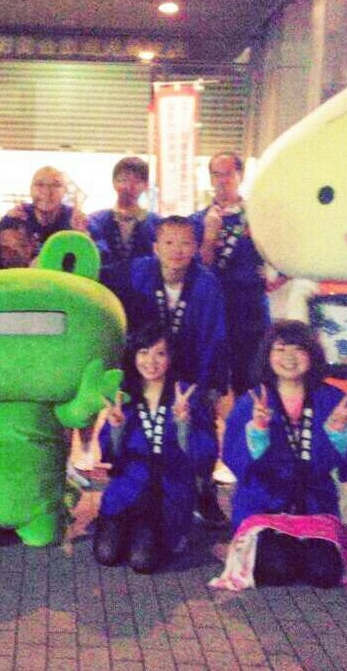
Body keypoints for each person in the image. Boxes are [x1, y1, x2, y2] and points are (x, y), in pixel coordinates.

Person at [212, 320, 347, 592]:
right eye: (280, 349)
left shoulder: (332, 399)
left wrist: (338, 433)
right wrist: (258, 431)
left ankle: (293, 549)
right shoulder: (252, 401)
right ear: (267, 355)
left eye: (298, 349)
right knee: (277, 571)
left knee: (325, 575)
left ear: (312, 355)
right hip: (264, 504)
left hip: (315, 505)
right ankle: (253, 546)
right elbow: (235, 458)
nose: (289, 357)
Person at [106, 215, 229, 526]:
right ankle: (130, 487)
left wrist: (209, 386)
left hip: (190, 372)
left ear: (197, 247)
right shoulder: (135, 273)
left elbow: (214, 337)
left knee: (200, 427)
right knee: (135, 425)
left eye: (186, 243)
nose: (177, 250)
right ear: (155, 247)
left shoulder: (207, 284)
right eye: (169, 242)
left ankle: (204, 490)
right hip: (145, 367)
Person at [94, 326, 216, 574]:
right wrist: (116, 428)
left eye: (160, 353)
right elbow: (111, 455)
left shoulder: (186, 394)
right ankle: (133, 530)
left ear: (171, 357)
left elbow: (205, 455)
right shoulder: (124, 394)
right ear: (133, 355)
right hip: (129, 486)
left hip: (169, 488)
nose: (151, 361)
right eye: (143, 352)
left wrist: (184, 425)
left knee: (141, 561)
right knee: (105, 553)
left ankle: (168, 531)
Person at [191, 152, 277, 396]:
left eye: (227, 174)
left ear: (240, 176)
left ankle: (250, 418)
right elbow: (197, 268)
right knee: (208, 376)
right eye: (216, 174)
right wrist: (209, 237)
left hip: (250, 310)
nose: (221, 180)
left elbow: (280, 255)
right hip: (212, 307)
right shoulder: (197, 220)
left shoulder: (258, 217)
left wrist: (273, 275)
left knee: (251, 376)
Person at [87, 157, 157, 271]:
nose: (130, 186)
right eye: (124, 180)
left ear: (146, 186)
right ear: (114, 183)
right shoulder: (95, 220)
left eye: (137, 181)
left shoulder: (156, 223)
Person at [4, 166, 88, 253]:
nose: (47, 192)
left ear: (64, 191)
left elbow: (90, 256)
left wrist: (82, 235)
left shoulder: (75, 219)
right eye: (39, 184)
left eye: (56, 185)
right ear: (30, 190)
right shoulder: (17, 217)